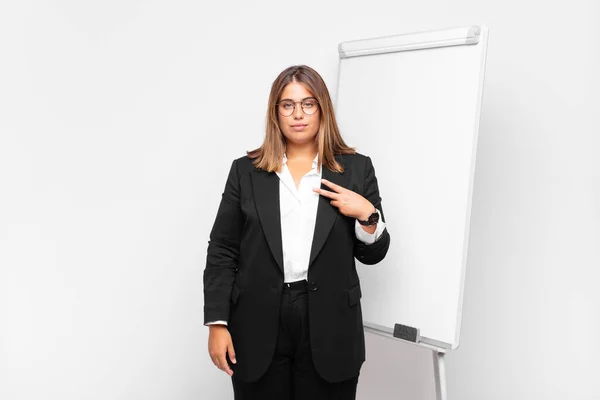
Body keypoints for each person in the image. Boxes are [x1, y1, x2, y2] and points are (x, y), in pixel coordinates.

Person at [203, 64, 390, 400]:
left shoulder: (356, 168)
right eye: (287, 105)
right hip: (257, 319)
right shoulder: (245, 172)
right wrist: (218, 323)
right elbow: (222, 250)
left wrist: (367, 214)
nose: (298, 114)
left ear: (322, 109)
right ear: (276, 113)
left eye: (308, 103)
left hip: (330, 322)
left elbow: (373, 254)